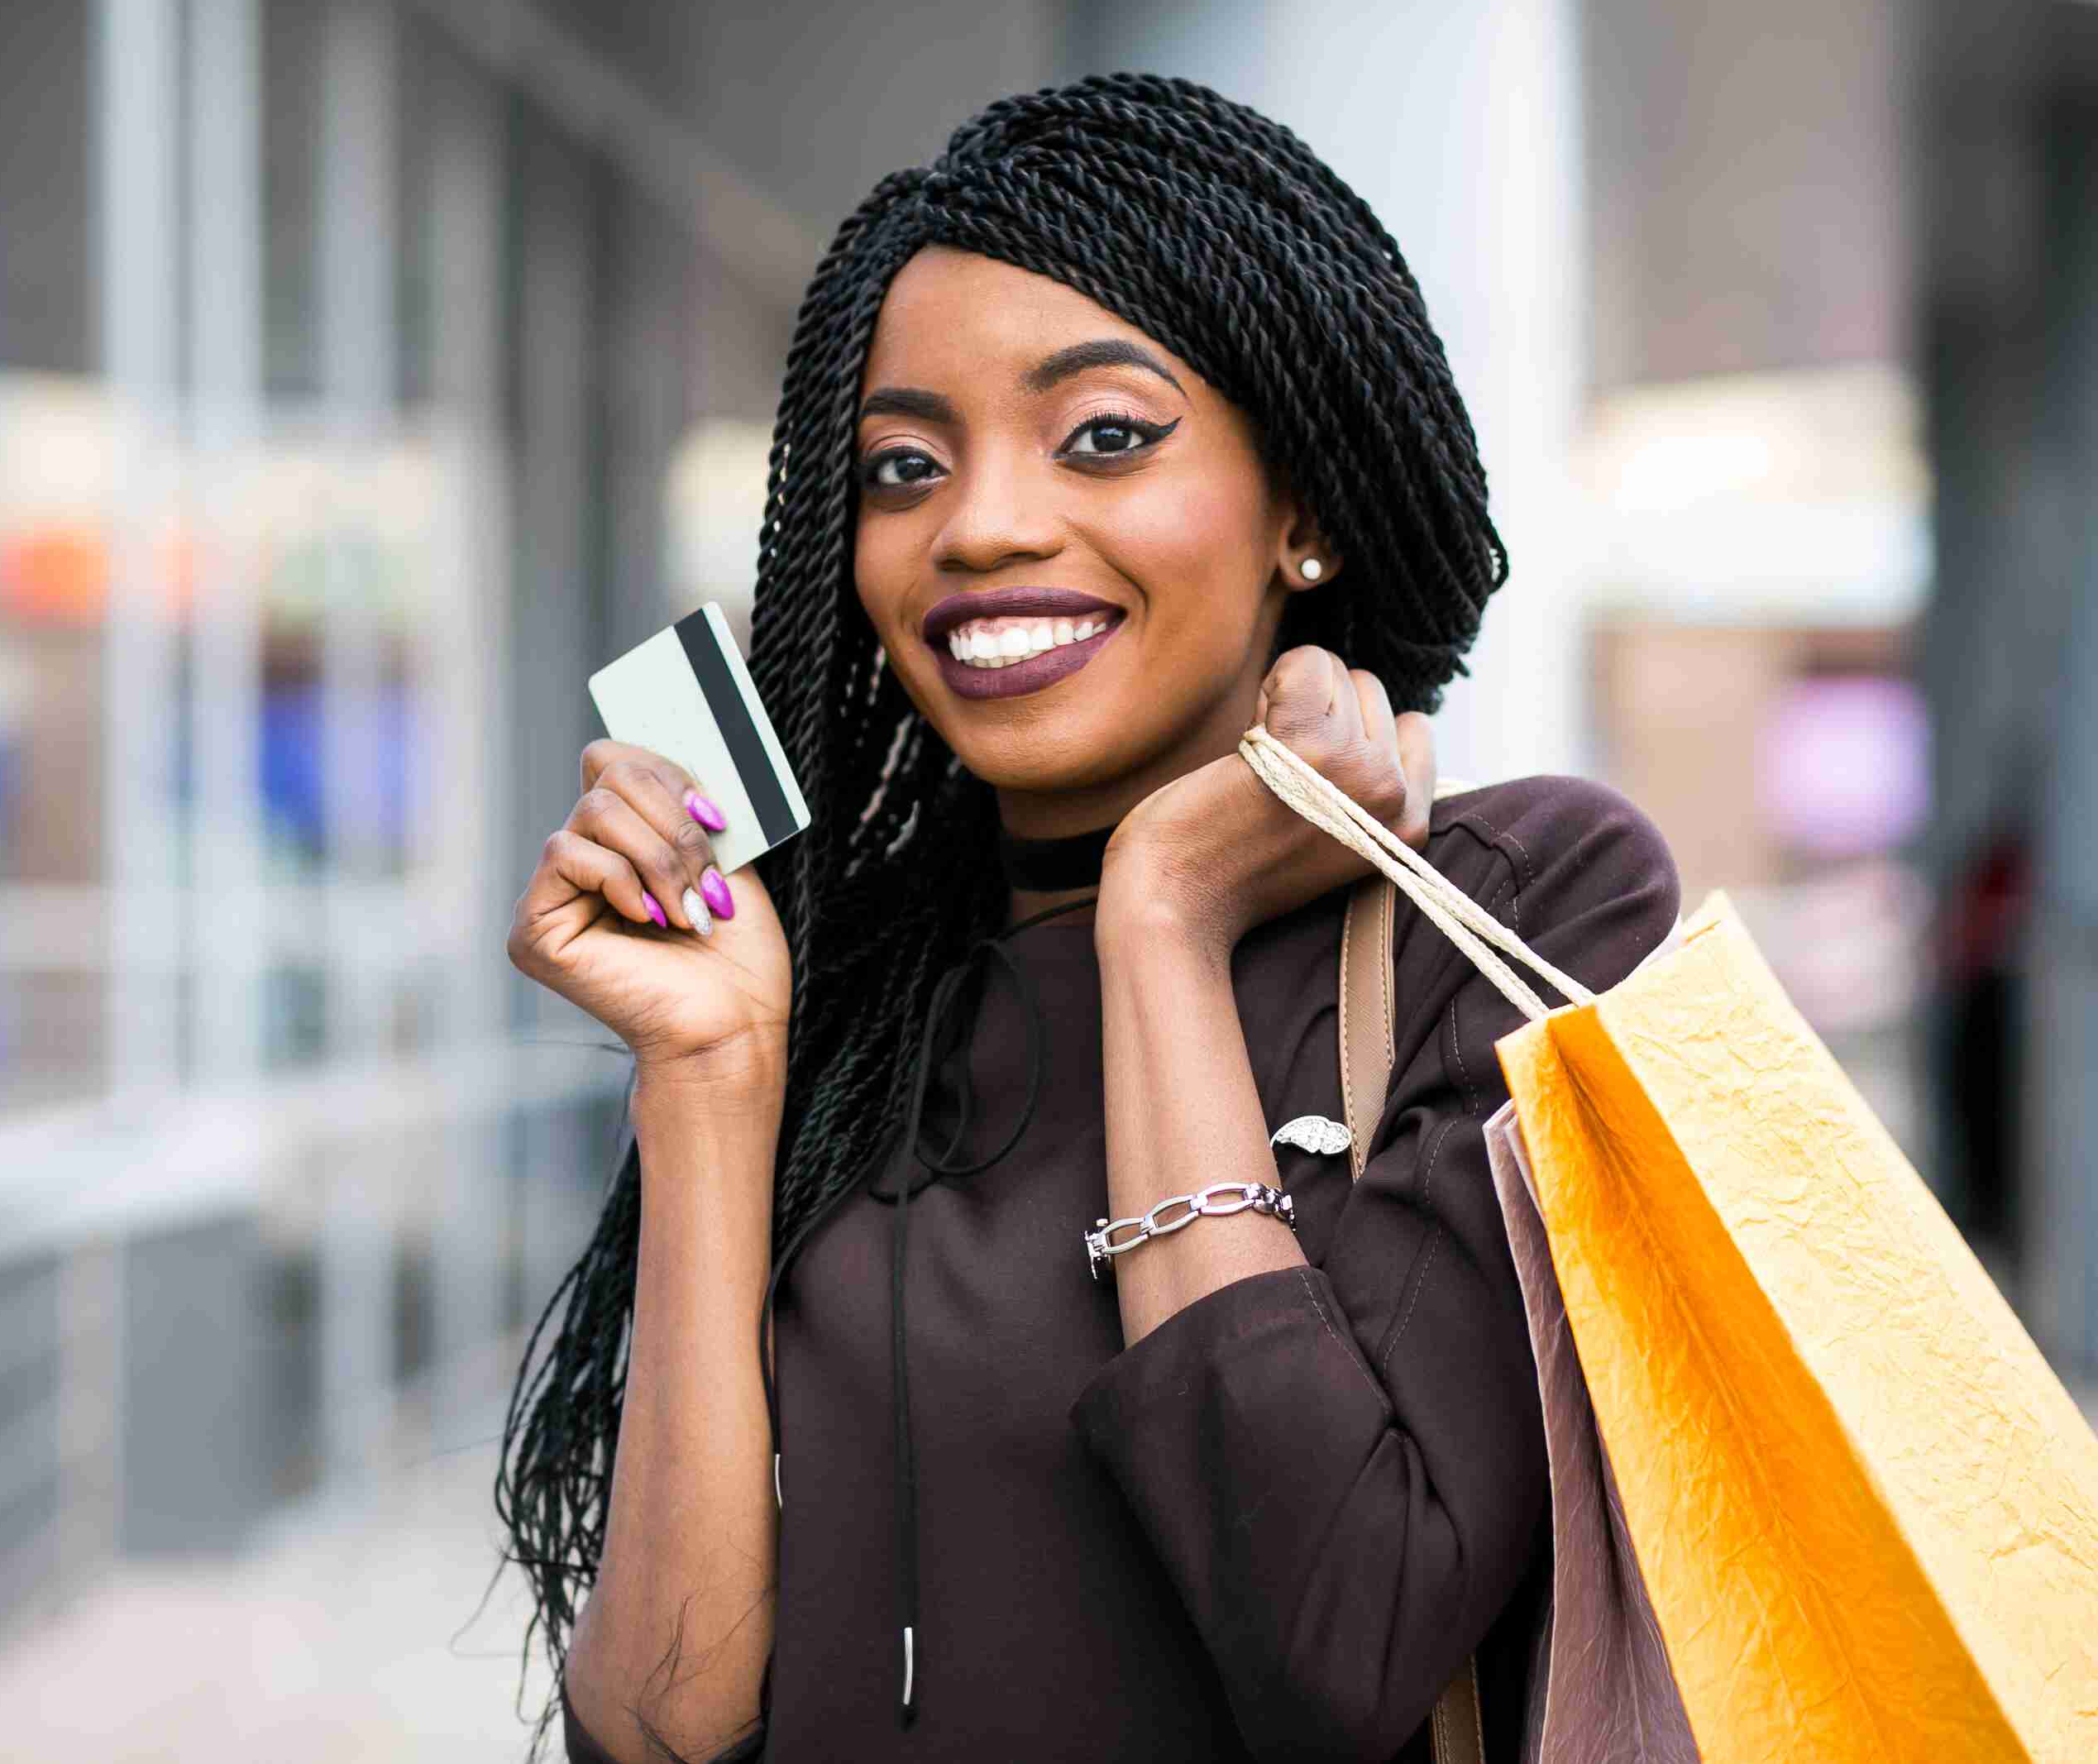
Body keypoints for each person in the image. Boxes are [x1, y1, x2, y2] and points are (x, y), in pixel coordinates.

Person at [499, 73, 1679, 1763]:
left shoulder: (1525, 906)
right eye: (904, 464)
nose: (977, 525)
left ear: (1309, 512)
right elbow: (665, 1730)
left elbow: (1338, 1641)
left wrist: (1166, 918)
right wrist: (709, 1067)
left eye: (1104, 435)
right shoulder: (841, 987)